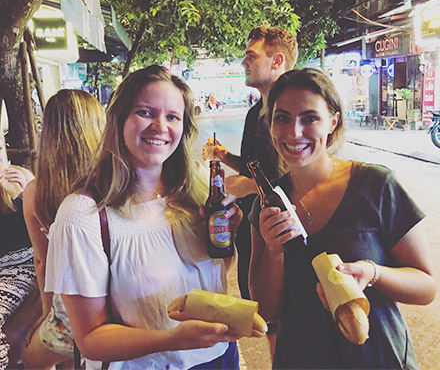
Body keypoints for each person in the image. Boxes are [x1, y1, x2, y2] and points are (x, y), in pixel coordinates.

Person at [43, 65, 243, 369]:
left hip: (220, 356)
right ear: (119, 120)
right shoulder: (83, 216)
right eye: (146, 113)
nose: (160, 126)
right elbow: (91, 339)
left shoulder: (196, 193)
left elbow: (211, 281)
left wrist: (225, 241)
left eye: (173, 117)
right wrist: (172, 339)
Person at [248, 68, 437, 369]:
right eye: (282, 118)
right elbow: (266, 312)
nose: (294, 132)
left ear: (332, 122)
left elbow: (426, 287)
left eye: (310, 118)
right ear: (270, 125)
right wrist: (274, 251)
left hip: (377, 358)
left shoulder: (376, 185)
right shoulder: (268, 204)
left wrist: (371, 273)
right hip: (300, 360)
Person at [203, 25, 298, 302]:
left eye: (251, 56)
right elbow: (253, 166)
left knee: (280, 313)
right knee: (255, 305)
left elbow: (292, 179)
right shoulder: (255, 111)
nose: (243, 62)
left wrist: (242, 187)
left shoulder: (291, 113)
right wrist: (224, 156)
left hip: (280, 230)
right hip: (250, 226)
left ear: (277, 61)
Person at [22, 89, 106, 369]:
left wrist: (47, 315)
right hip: (116, 307)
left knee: (31, 359)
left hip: (72, 316)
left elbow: (42, 262)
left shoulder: (35, 192)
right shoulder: (112, 183)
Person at [0, 131, 36, 369]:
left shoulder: (23, 180)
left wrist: (29, 196)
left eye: (0, 149)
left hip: (23, 267)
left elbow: (47, 231)